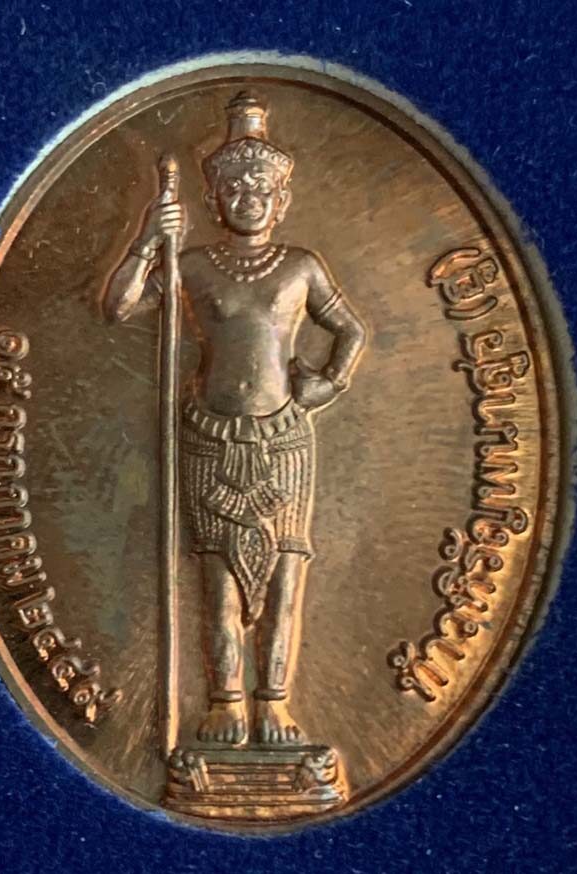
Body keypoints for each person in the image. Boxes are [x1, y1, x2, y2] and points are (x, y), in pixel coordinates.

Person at [103, 91, 366, 746]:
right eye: (235, 187)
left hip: (283, 439)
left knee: (285, 574)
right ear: (214, 198)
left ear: (282, 199)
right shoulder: (193, 266)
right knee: (217, 577)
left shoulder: (301, 266)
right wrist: (146, 241)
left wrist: (330, 383)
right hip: (210, 437)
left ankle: (274, 701)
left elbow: (351, 330)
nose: (249, 198)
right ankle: (226, 702)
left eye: (261, 188)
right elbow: (118, 307)